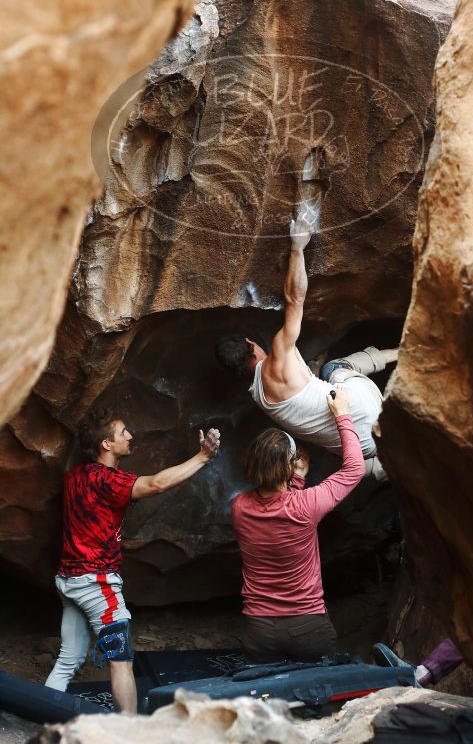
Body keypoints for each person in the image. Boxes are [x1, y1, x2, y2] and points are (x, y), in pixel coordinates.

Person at [45, 407, 220, 712]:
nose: (130, 436)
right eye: (123, 432)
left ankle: (40, 718)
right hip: (96, 584)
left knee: (69, 659)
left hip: (68, 581)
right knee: (122, 661)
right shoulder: (108, 481)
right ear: (106, 444)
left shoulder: (75, 475)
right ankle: (128, 733)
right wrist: (202, 457)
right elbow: (156, 484)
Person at [215, 208, 397, 480]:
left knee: (339, 449)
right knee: (333, 368)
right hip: (366, 407)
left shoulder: (260, 399)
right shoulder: (278, 354)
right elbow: (294, 299)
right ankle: (401, 353)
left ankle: (390, 470)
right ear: (250, 343)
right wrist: (298, 247)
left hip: (366, 448)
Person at [231, 385, 365, 663]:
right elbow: (354, 468)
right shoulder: (307, 505)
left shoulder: (239, 507)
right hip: (308, 628)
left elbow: (276, 507)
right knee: (319, 697)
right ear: (290, 466)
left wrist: (296, 479)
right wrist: (343, 415)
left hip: (259, 630)